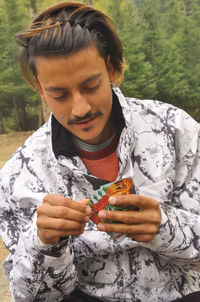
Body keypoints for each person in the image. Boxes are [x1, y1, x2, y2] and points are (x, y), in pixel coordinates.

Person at [0, 1, 200, 302]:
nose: (80, 108)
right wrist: (42, 243)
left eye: (91, 85)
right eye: (60, 94)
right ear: (41, 89)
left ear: (111, 69)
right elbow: (30, 296)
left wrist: (165, 226)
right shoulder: (21, 174)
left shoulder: (175, 131)